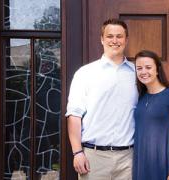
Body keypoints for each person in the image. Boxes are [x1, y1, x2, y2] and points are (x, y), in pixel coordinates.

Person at [65, 18, 138, 180]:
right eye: (110, 36)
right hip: (94, 158)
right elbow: (74, 116)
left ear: (126, 40)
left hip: (129, 158)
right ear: (102, 39)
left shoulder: (138, 74)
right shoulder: (85, 73)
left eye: (119, 36)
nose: (114, 40)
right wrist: (77, 152)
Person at [133, 50, 169, 180]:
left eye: (148, 67)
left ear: (157, 70)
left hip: (165, 164)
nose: (143, 72)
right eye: (139, 68)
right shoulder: (141, 97)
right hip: (142, 164)